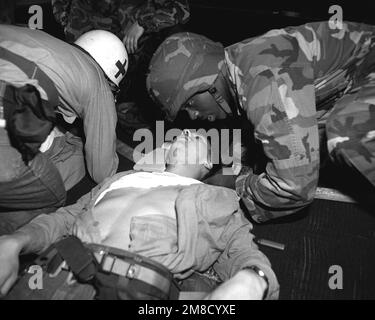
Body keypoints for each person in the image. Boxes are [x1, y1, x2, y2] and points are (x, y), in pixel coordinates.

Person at [0, 130, 279, 300]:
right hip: (51, 274)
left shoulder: (218, 200)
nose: (183, 135)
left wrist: (253, 281)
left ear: (207, 163)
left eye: (194, 137)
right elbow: (66, 218)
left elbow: (245, 253)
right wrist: (16, 241)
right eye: (180, 134)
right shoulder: (121, 178)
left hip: (133, 289)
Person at [146, 21, 375, 223]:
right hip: (356, 82)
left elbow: (294, 187)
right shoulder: (240, 66)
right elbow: (271, 129)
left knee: (348, 132)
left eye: (190, 105)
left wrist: (234, 186)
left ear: (204, 83)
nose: (194, 116)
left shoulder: (262, 77)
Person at [0, 25, 128, 231]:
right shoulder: (98, 84)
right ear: (110, 80)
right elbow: (102, 172)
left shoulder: (45, 42)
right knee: (52, 192)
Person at [51, 0, 191, 131]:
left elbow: (181, 8)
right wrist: (64, 19)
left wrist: (143, 23)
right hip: (83, 47)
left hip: (129, 57)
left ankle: (127, 110)